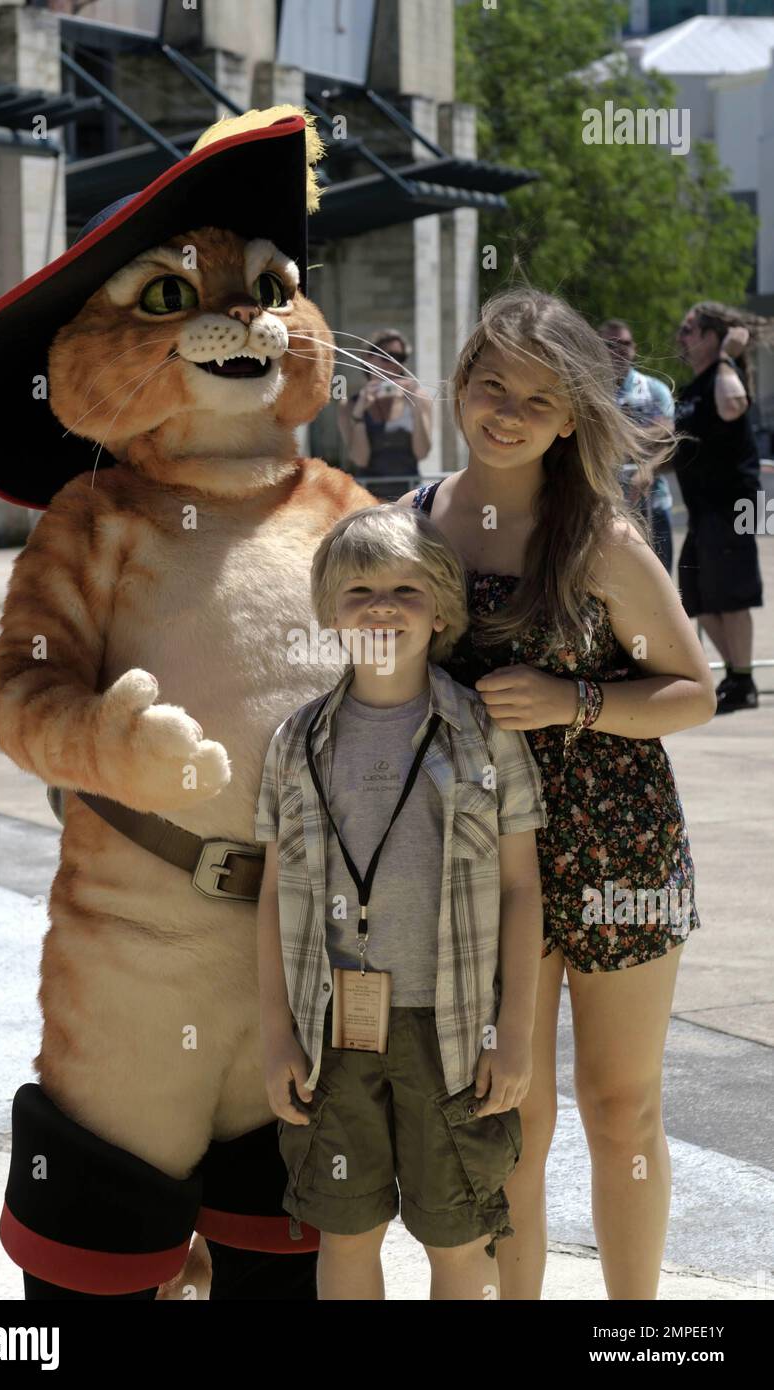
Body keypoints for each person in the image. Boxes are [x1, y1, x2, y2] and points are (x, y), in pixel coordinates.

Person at [397, 286, 717, 1300]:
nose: (506, 410)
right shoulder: (409, 529)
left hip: (616, 845)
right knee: (509, 1114)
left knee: (620, 1106)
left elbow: (692, 689)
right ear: (457, 385)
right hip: (485, 857)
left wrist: (568, 699)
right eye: (490, 384)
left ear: (572, 414)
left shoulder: (599, 539)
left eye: (537, 398)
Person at [255, 505, 548, 1300]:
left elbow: (524, 888)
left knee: (459, 1239)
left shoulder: (485, 733)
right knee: (347, 1233)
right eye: (359, 589)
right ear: (328, 613)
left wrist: (515, 1032)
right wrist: (277, 1033)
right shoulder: (296, 743)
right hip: (333, 1031)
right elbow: (275, 892)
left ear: (443, 608)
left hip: (452, 1031)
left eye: (405, 588)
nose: (381, 606)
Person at [673, 301, 768, 714]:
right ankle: (736, 675)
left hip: (732, 508)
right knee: (698, 597)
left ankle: (742, 680)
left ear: (713, 337)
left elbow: (732, 406)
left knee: (730, 597)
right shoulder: (694, 388)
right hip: (702, 512)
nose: (681, 336)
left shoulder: (724, 379)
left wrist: (729, 354)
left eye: (689, 329)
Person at [598, 318, 676, 574]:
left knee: (660, 583)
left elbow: (666, 434)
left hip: (652, 503)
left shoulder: (654, 389)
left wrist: (612, 432)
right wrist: (643, 436)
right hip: (600, 507)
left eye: (626, 343)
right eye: (612, 344)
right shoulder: (589, 391)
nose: (620, 350)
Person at [336, 329, 433, 499]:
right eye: (388, 356)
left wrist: (416, 405)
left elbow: (422, 452)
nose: (395, 364)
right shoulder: (349, 406)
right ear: (368, 358)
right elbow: (360, 459)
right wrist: (359, 413)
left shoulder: (419, 398)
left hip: (409, 495)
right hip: (368, 497)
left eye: (401, 358)